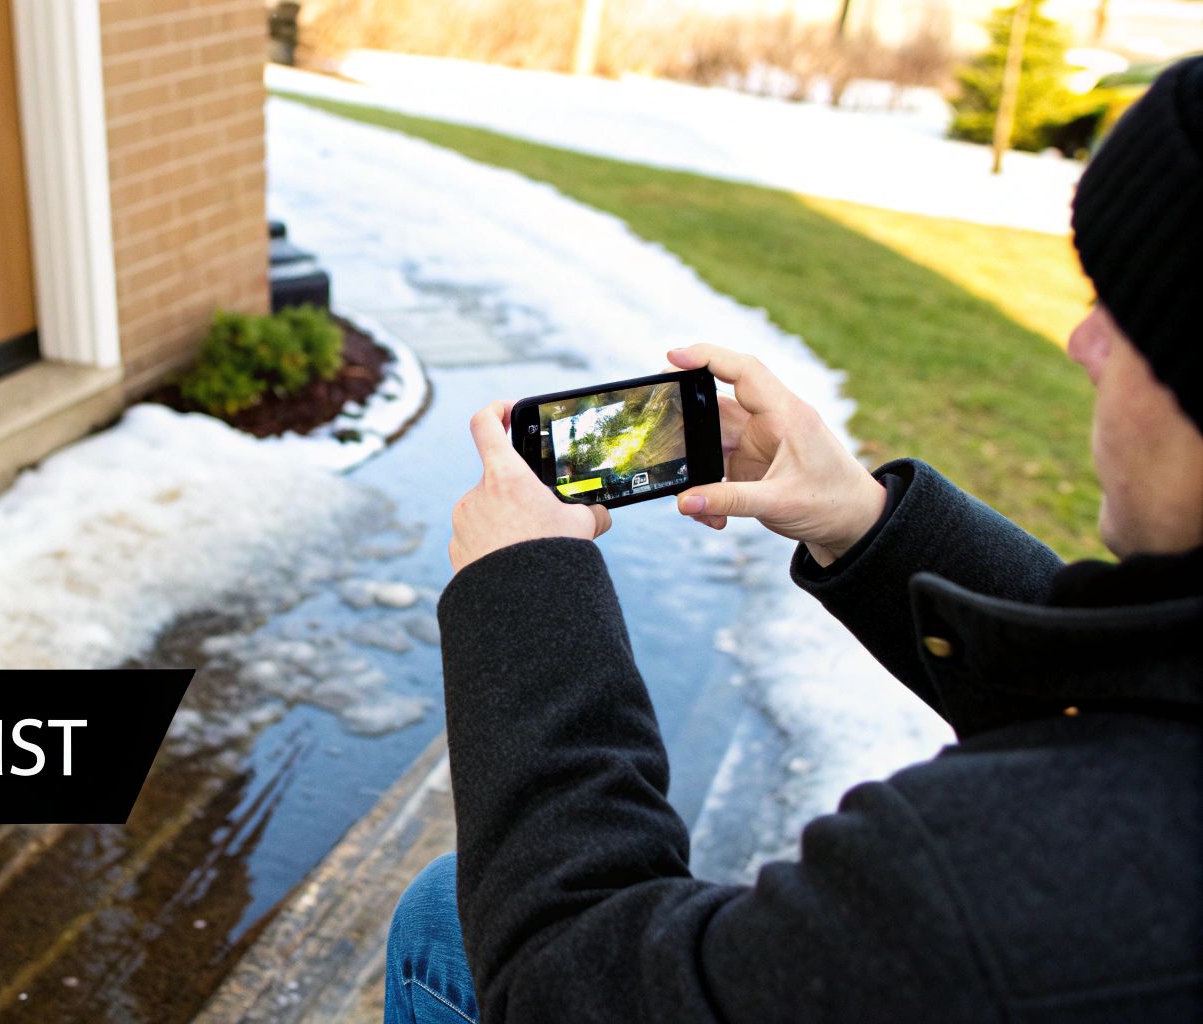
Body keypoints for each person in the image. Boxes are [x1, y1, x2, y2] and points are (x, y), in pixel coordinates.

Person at [387, 56, 1203, 1024]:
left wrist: (526, 591)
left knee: (454, 926)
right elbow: (1136, 684)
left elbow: (564, 976)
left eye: (1125, 314)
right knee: (448, 907)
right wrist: (865, 521)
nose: (1079, 344)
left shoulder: (993, 883)